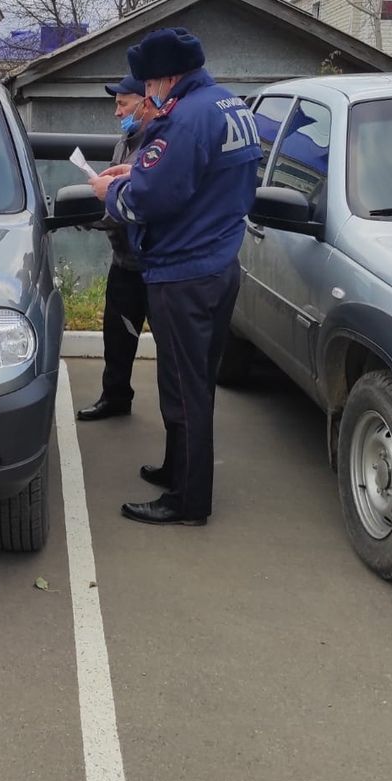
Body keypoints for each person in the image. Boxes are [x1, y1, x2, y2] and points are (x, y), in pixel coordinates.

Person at [88, 27, 261, 526]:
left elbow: (150, 200)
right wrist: (135, 170)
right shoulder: (228, 105)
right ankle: (176, 468)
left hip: (183, 270)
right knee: (195, 381)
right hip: (218, 262)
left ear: (167, 77)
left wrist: (111, 192)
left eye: (148, 84)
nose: (145, 93)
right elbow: (192, 175)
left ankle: (187, 501)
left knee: (183, 388)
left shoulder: (183, 120)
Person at [75, 77, 154, 422]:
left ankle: (177, 416)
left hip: (154, 263)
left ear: (146, 102)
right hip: (123, 261)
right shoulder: (125, 141)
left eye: (123, 104)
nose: (117, 111)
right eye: (117, 104)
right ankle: (116, 395)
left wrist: (94, 219)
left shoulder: (158, 145)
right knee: (117, 335)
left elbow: (136, 205)